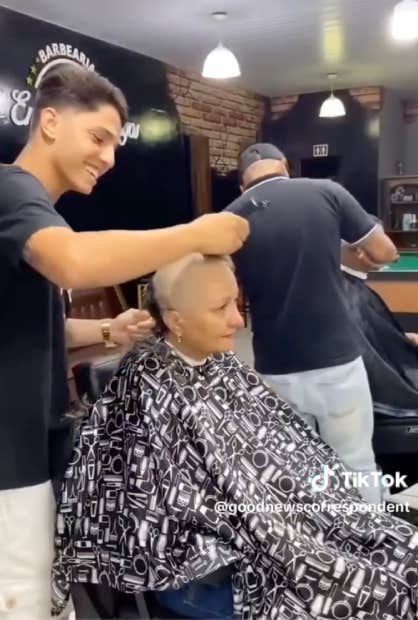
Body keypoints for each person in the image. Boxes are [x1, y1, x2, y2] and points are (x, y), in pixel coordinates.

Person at [0, 64, 249, 620]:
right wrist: (193, 234)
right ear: (48, 122)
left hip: (33, 450)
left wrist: (112, 330)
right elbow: (74, 259)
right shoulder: (10, 190)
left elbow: (43, 328)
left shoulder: (32, 215)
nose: (109, 157)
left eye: (115, 142)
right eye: (98, 137)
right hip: (8, 463)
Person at [53, 254, 418, 620]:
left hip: (276, 538)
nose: (238, 320)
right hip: (208, 574)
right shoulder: (147, 387)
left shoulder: (220, 363)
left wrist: (316, 514)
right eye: (220, 308)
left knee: (403, 552)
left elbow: (286, 451)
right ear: (175, 319)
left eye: (236, 302)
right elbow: (167, 516)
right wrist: (281, 535)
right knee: (370, 589)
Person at [225, 143, 398, 505]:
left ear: (242, 184)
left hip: (275, 369)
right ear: (286, 166)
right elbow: (384, 253)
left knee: (295, 469)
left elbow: (219, 289)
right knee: (355, 463)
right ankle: (368, 548)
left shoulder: (231, 216)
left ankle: (313, 549)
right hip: (336, 361)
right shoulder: (327, 191)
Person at [341, 236, 418, 417]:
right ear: (359, 251)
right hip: (395, 385)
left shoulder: (346, 286)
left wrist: (403, 338)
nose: (395, 256)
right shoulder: (348, 292)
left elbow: (372, 336)